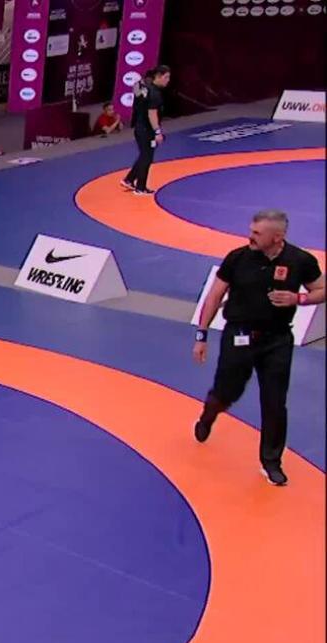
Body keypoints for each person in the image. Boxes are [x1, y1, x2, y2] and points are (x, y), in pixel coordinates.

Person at [192, 209, 325, 486]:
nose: (249, 236)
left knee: (275, 401)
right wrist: (201, 335)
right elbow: (214, 296)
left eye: (256, 233)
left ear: (277, 237)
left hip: (277, 340)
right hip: (239, 335)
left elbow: (322, 289)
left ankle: (271, 461)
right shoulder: (237, 258)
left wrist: (298, 299)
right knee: (227, 391)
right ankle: (209, 414)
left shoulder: (300, 261)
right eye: (251, 231)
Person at [122, 65, 170, 195]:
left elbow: (136, 90)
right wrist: (157, 132)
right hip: (146, 129)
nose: (168, 80)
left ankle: (129, 179)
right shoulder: (155, 94)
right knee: (147, 157)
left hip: (139, 126)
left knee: (144, 155)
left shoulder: (144, 84)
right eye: (166, 77)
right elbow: (152, 114)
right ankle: (140, 188)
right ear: (158, 76)